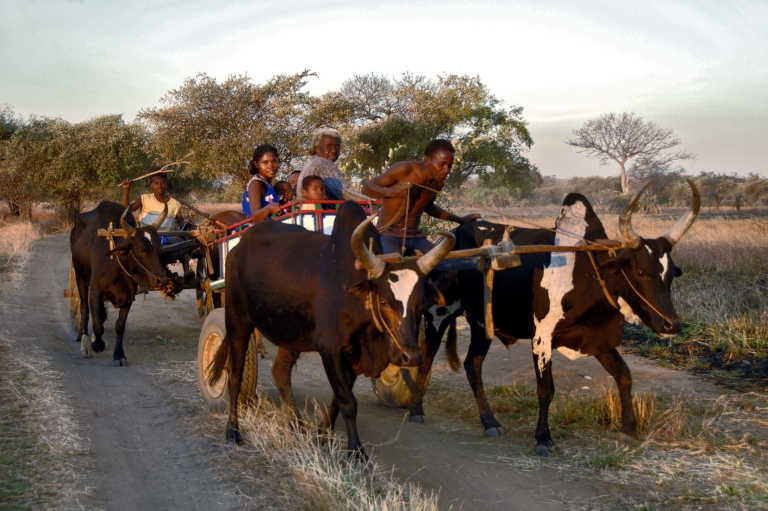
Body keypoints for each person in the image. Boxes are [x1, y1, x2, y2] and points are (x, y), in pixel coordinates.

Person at [361, 139, 480, 255]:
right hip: (388, 235)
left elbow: (429, 207)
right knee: (392, 264)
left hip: (416, 237)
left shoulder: (437, 184)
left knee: (446, 266)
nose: (446, 170)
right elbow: (366, 188)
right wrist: (393, 192)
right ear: (427, 160)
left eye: (450, 166)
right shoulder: (404, 170)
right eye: (442, 164)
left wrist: (460, 219)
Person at [121, 171, 192, 280]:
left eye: (162, 183)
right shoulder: (145, 199)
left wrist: (186, 223)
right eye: (156, 183)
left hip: (168, 238)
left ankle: (187, 272)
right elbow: (126, 210)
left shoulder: (174, 202)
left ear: (166, 184)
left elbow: (181, 221)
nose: (160, 186)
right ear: (151, 185)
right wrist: (126, 191)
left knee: (182, 243)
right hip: (147, 238)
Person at [296, 128, 369, 202]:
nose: (334, 151)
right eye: (328, 147)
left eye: (337, 147)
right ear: (317, 149)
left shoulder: (311, 163)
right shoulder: (323, 162)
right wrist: (370, 201)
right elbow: (344, 192)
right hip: (320, 208)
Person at [242, 144, 282, 222]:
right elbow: (255, 217)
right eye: (265, 162)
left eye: (274, 161)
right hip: (257, 229)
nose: (271, 166)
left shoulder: (267, 184)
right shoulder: (256, 184)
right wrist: (269, 208)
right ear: (256, 164)